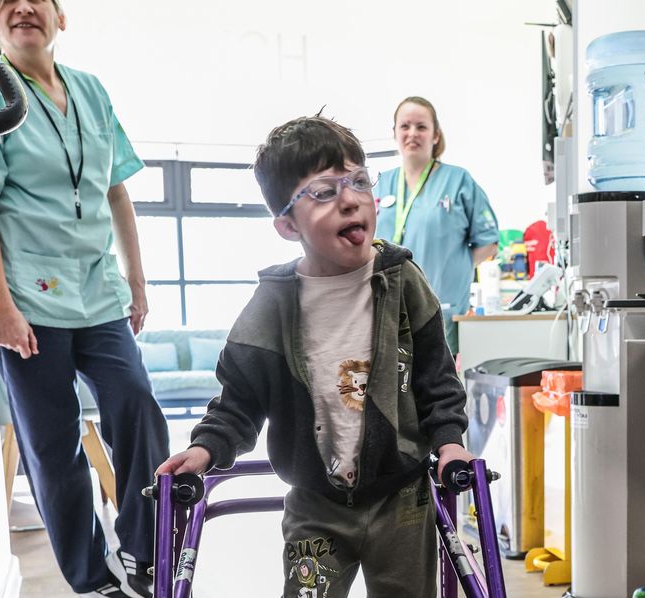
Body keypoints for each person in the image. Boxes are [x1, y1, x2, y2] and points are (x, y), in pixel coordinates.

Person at [157, 116, 472, 598]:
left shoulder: (403, 280)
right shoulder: (272, 304)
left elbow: (436, 377)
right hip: (316, 505)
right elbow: (238, 401)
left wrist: (449, 441)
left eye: (360, 181)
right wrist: (205, 449)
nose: (350, 199)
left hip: (403, 499)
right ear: (286, 225)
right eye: (324, 192)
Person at [0, 1, 169, 596]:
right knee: (54, 445)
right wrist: (0, 307)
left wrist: (137, 280)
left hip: (98, 290)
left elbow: (116, 191)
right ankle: (90, 578)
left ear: (60, 19)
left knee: (137, 404)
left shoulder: (92, 91)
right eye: (7, 1)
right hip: (25, 296)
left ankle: (144, 547)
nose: (24, 7)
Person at [375, 97, 499, 355]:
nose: (412, 134)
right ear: (394, 133)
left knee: (439, 387)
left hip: (441, 308)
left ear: (435, 135)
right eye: (405, 126)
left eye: (421, 127)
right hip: (387, 309)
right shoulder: (380, 184)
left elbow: (488, 243)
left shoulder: (458, 180)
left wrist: (455, 268)